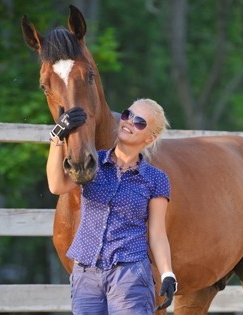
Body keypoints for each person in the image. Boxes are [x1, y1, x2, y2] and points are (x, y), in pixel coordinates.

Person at [46, 98, 177, 314]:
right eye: (128, 115)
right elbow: (56, 185)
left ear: (151, 137)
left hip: (130, 274)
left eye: (140, 122)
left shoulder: (156, 179)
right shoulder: (92, 163)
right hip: (86, 274)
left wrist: (167, 274)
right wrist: (56, 138)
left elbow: (157, 233)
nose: (128, 122)